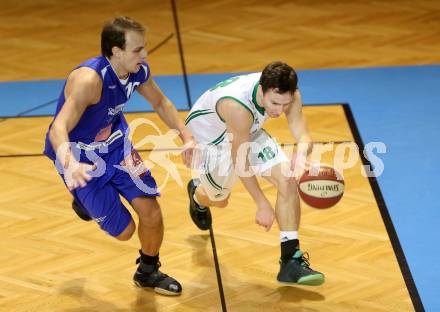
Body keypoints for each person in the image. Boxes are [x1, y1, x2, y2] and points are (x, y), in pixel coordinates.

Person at [43, 16, 194, 296]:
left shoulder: (137, 70)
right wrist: (69, 163)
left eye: (144, 48)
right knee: (125, 231)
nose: (145, 55)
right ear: (116, 51)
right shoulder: (89, 80)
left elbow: (161, 102)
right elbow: (58, 129)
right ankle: (84, 203)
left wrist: (186, 137)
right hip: (80, 159)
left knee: (152, 213)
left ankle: (148, 271)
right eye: (138, 50)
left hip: (117, 148)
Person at [185, 61, 324, 286]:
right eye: (274, 103)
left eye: (284, 104)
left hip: (246, 131)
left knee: (287, 180)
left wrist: (301, 153)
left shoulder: (289, 95)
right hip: (210, 140)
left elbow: (304, 134)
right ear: (261, 90)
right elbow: (240, 160)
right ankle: (196, 195)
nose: (279, 111)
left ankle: (290, 260)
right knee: (219, 201)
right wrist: (261, 203)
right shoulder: (238, 106)